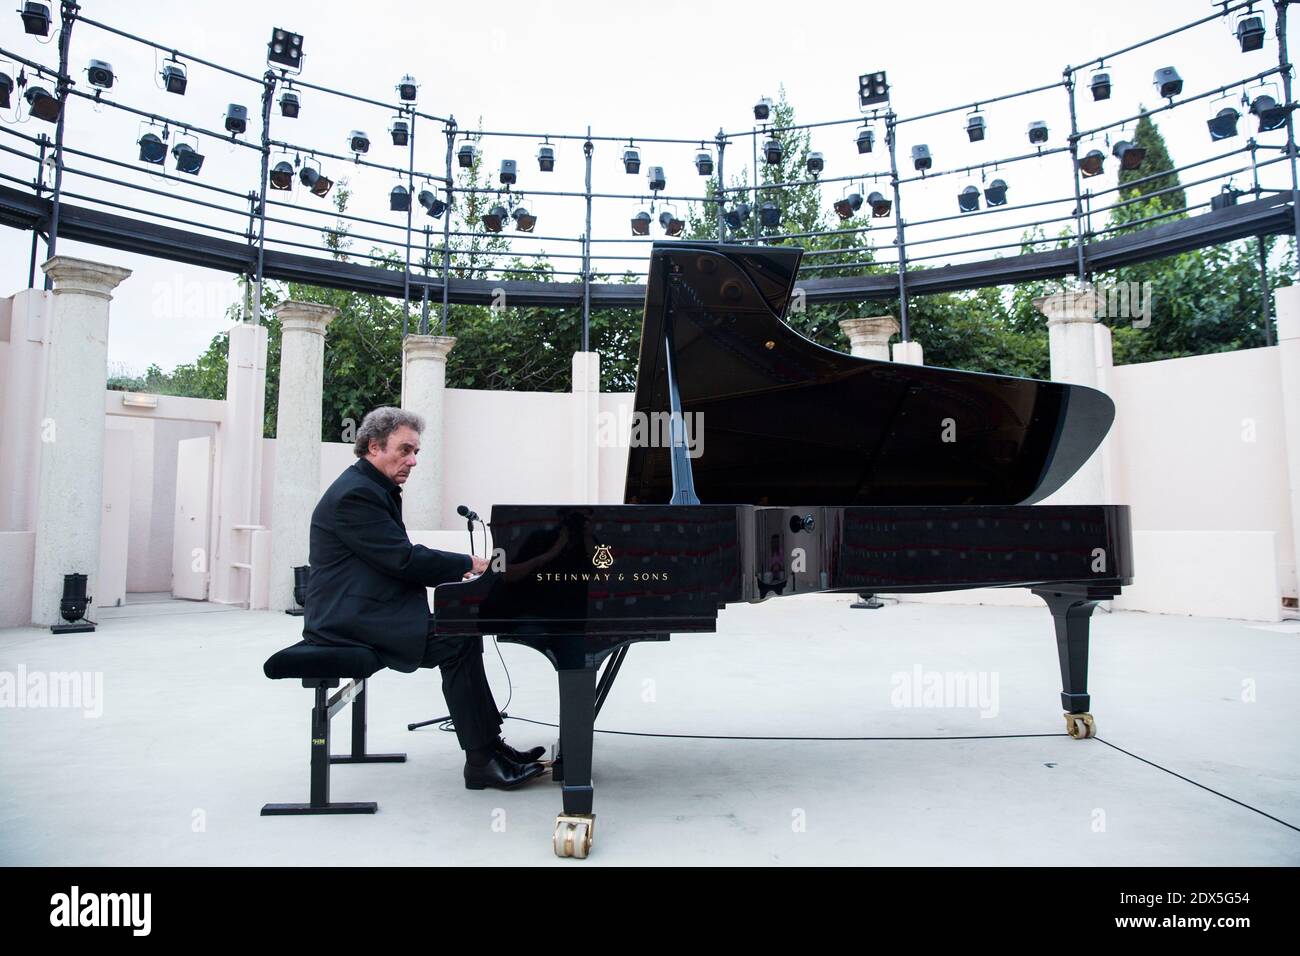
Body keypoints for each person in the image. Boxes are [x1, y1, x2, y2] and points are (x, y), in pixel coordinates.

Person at [302, 406, 546, 790]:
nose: (413, 460)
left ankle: (490, 747)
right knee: (457, 639)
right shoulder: (356, 496)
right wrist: (470, 564)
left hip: (365, 609)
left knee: (462, 632)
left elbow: (397, 555)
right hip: (347, 618)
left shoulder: (370, 487)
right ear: (373, 446)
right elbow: (402, 559)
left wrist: (462, 567)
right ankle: (481, 761)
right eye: (405, 450)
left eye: (416, 451)